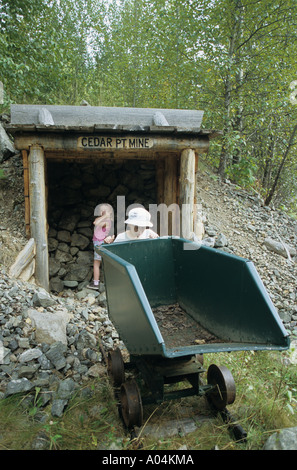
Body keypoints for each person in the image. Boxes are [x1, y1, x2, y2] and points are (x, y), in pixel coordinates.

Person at [88, 203, 114, 290]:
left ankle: (96, 283)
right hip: (98, 242)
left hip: (100, 243)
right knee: (99, 262)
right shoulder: (102, 219)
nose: (102, 212)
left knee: (97, 263)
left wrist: (105, 216)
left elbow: (96, 223)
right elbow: (95, 221)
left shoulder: (107, 221)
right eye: (101, 210)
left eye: (105, 210)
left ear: (109, 212)